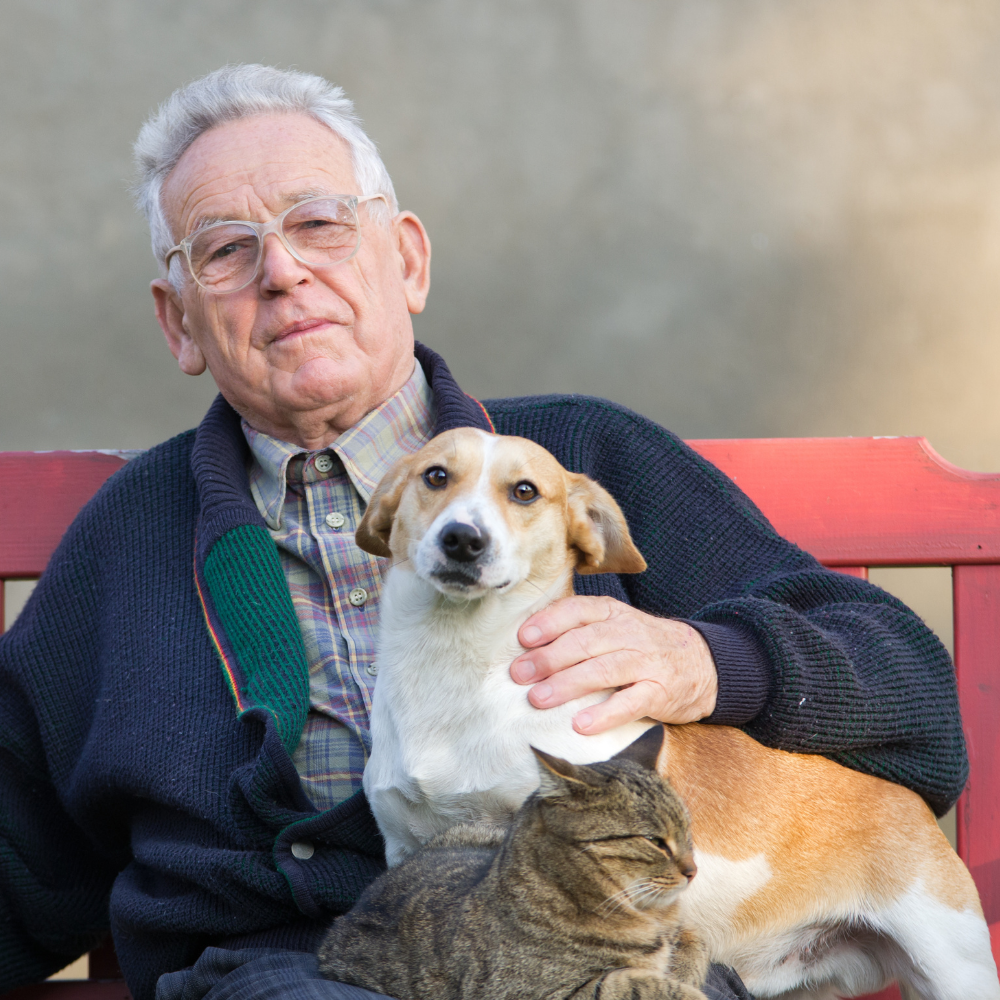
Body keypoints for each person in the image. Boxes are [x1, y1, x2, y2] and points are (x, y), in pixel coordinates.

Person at [0, 65, 966, 1000]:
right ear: (179, 323)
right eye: (225, 249)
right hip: (303, 966)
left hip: (618, 962)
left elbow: (912, 699)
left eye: (321, 223)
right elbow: (18, 844)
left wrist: (708, 661)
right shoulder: (125, 547)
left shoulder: (587, 459)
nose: (283, 272)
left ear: (408, 259)